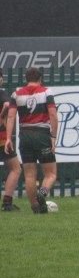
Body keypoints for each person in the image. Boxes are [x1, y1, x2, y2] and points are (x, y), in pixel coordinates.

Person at [5, 67, 58, 214]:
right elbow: (53, 115)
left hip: (25, 135)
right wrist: (53, 137)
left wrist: (8, 138)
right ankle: (43, 192)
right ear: (40, 79)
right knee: (51, 174)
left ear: (26, 79)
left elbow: (11, 116)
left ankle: (36, 207)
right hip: (41, 135)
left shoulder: (16, 94)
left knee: (29, 174)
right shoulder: (46, 92)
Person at [0, 70, 21, 211]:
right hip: (1, 138)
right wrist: (2, 116)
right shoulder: (2, 92)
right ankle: (7, 203)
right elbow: (7, 105)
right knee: (15, 168)